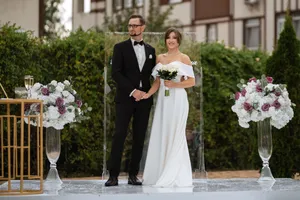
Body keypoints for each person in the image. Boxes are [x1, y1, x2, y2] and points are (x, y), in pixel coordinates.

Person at [105, 14, 156, 187]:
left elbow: (152, 75)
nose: (132, 29)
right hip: (125, 99)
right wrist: (133, 91)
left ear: (143, 27)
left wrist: (146, 93)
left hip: (144, 100)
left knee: (139, 137)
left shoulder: (151, 50)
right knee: (119, 135)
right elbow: (116, 73)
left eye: (135, 26)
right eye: (129, 26)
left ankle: (133, 175)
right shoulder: (119, 48)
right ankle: (113, 176)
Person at [142, 28, 195, 187]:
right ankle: (162, 171)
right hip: (164, 102)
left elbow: (191, 81)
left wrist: (176, 84)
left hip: (178, 99)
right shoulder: (160, 58)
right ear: (165, 40)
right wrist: (147, 94)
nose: (171, 40)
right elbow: (157, 83)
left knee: (176, 134)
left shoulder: (184, 58)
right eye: (168, 38)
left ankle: (176, 174)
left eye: (174, 38)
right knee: (163, 133)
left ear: (179, 40)